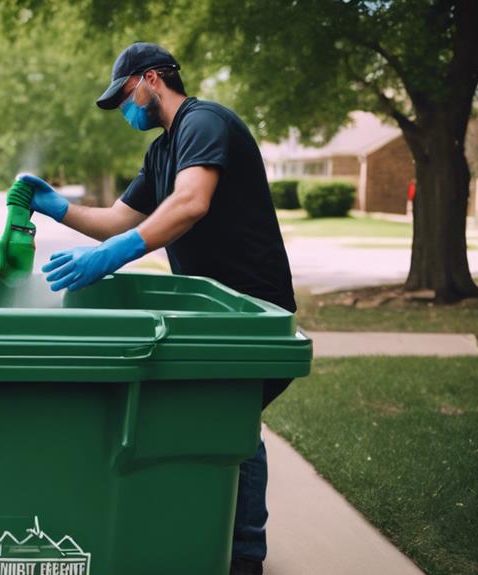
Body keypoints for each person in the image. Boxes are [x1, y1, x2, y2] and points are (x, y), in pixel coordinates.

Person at [19, 42, 296, 575]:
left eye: (124, 95)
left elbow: (191, 203)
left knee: (230, 426)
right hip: (211, 314)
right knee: (210, 422)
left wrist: (112, 257)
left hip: (252, 312)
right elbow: (117, 220)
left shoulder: (204, 121)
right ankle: (204, 537)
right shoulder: (162, 150)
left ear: (151, 79)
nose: (125, 109)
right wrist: (54, 206)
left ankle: (242, 558)